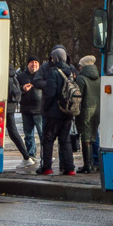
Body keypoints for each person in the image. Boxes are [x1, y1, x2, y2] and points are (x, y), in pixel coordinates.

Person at [34, 46, 78, 176]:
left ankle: (47, 167)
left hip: (54, 113)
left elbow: (50, 94)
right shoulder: (71, 71)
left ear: (56, 58)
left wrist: (46, 108)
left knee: (48, 139)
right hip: (68, 112)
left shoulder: (54, 72)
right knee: (65, 141)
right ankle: (70, 168)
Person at [14, 55, 43, 169]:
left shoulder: (42, 76)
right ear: (28, 65)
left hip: (39, 110)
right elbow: (16, 91)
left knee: (43, 135)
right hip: (26, 110)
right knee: (28, 136)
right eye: (31, 62)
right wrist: (22, 89)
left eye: (36, 62)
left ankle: (45, 156)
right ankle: (31, 155)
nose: (34, 64)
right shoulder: (21, 77)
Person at [75, 55, 102, 174]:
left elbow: (78, 97)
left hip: (86, 110)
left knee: (86, 138)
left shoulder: (81, 79)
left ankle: (87, 165)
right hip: (97, 110)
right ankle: (96, 162)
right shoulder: (98, 77)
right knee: (94, 135)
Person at [5, 65, 32, 167]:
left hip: (3, 104)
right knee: (13, 131)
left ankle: (26, 156)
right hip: (10, 106)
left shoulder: (4, 74)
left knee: (12, 131)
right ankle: (26, 156)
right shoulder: (12, 74)